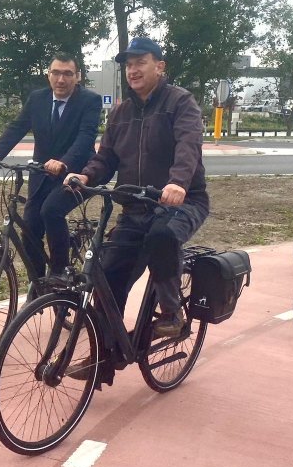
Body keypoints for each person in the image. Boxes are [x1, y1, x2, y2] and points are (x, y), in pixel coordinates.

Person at [64, 37, 209, 338]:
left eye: (140, 62)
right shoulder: (121, 112)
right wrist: (87, 176)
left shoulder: (180, 102)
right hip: (135, 206)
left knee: (162, 236)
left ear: (159, 66)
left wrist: (178, 183)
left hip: (181, 202)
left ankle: (172, 312)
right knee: (109, 274)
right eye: (129, 65)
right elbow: (106, 157)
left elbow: (188, 145)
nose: (133, 70)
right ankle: (104, 359)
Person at [0, 52, 102, 279]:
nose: (61, 79)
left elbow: (85, 138)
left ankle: (58, 276)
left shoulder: (90, 101)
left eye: (67, 74)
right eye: (56, 73)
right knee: (30, 229)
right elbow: (17, 127)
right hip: (41, 174)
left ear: (78, 76)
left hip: (76, 173)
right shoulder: (37, 99)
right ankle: (37, 284)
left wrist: (64, 161)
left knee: (52, 211)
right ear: (48, 75)